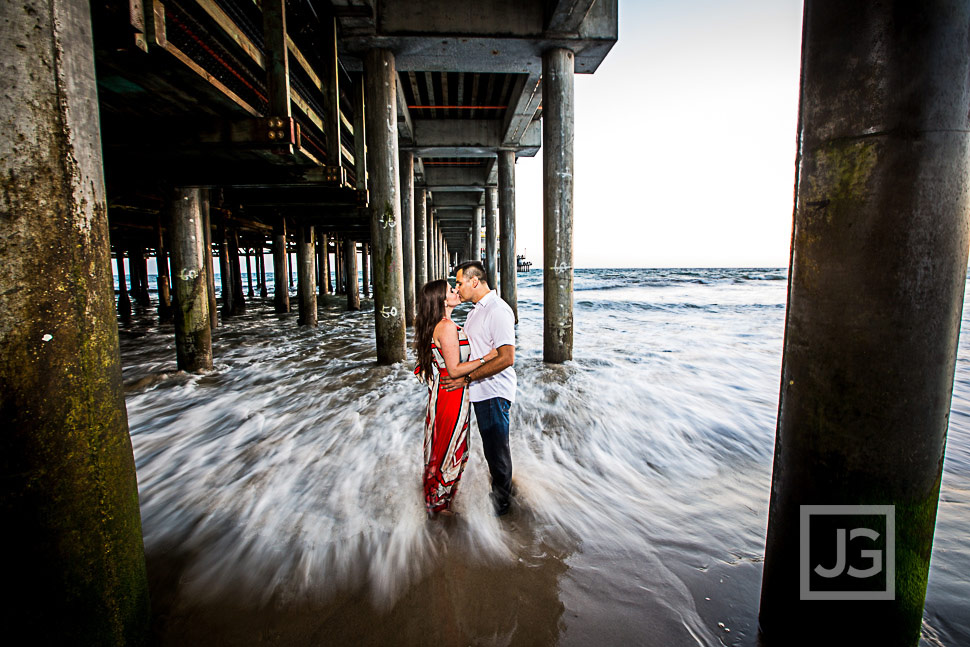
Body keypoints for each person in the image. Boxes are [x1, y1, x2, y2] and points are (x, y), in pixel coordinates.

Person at [414, 279, 498, 516]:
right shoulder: (446, 327)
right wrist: (488, 358)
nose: (456, 291)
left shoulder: (442, 324)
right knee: (451, 446)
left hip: (445, 394)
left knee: (446, 444)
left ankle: (437, 500)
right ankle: (439, 504)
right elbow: (454, 370)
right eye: (451, 290)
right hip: (451, 394)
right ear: (442, 300)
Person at [441, 261, 517, 516]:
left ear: (475, 281)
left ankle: (503, 506)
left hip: (494, 390)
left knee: (496, 451)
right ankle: (504, 493)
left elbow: (506, 358)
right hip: (479, 390)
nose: (457, 288)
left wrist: (467, 378)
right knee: (491, 449)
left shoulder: (497, 310)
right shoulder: (475, 311)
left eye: (460, 283)